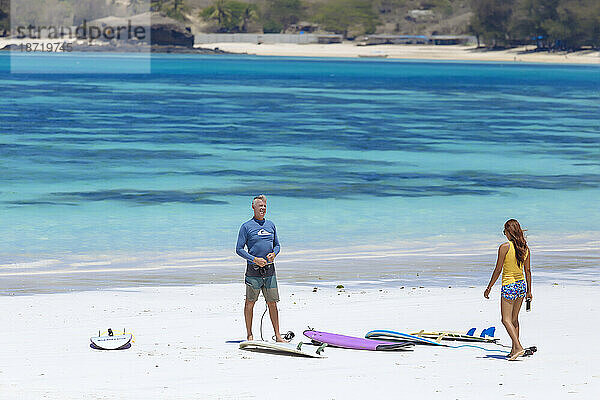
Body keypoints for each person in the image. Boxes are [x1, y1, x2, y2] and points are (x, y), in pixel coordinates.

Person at [236, 195, 286, 342]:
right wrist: (254, 259)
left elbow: (277, 245)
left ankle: (278, 336)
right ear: (253, 207)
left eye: (264, 206)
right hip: (253, 271)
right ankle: (250, 335)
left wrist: (274, 254)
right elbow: (239, 249)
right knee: (250, 303)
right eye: (260, 206)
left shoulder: (271, 225)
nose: (263, 208)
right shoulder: (246, 226)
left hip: (270, 271)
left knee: (272, 303)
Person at [484, 219, 533, 361]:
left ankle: (518, 347)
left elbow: (498, 269)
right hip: (521, 286)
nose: (504, 233)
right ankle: (513, 351)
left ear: (509, 231)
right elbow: (528, 271)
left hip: (509, 285)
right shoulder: (525, 248)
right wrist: (529, 291)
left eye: (504, 231)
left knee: (505, 320)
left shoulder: (504, 247)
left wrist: (489, 287)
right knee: (514, 319)